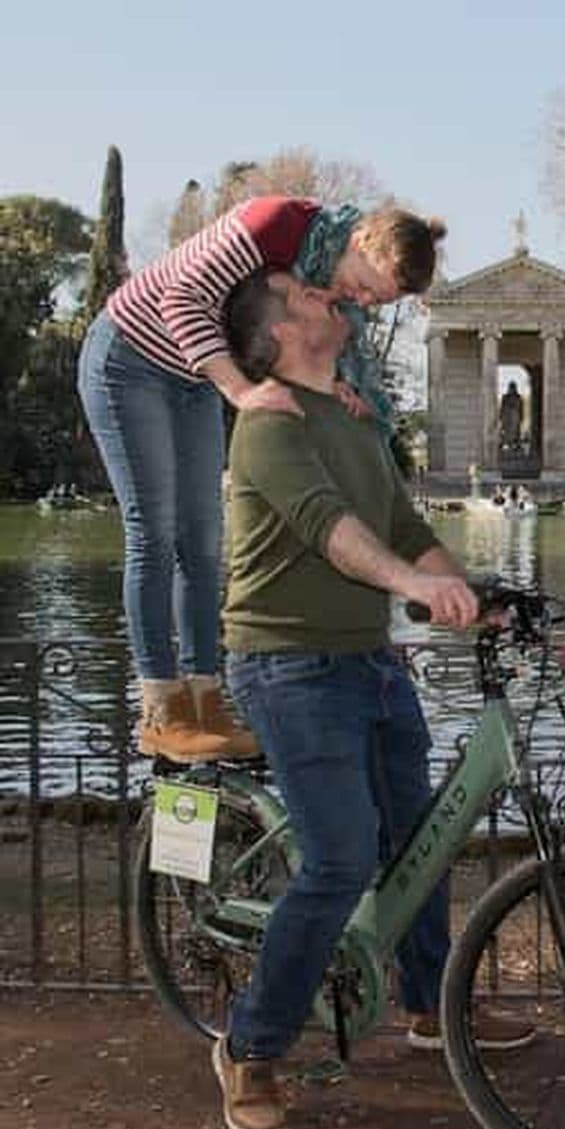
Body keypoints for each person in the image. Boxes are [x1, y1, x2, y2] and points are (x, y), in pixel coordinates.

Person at [215, 271, 535, 1129]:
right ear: (281, 333)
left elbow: (399, 525)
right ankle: (251, 1049)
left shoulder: (356, 420)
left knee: (418, 837)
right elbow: (332, 531)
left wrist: (462, 585)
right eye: (305, 294)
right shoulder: (268, 420)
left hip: (371, 662)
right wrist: (413, 589)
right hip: (287, 667)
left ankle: (431, 1009)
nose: (327, 295)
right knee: (343, 858)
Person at [77, 195, 445, 764]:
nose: (364, 303)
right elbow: (181, 297)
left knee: (202, 541)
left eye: (378, 302)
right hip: (129, 357)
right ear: (364, 242)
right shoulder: (273, 224)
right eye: (371, 288)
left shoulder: (324, 270)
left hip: (191, 376)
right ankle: (159, 709)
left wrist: (338, 386)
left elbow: (281, 337)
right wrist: (241, 391)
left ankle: (204, 699)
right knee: (154, 530)